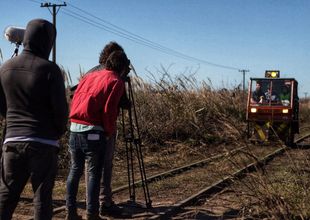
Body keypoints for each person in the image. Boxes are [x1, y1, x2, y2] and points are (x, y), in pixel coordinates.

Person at [0, 19, 68, 220]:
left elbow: (2, 105)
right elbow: (61, 111)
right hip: (43, 142)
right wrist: (57, 131)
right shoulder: (50, 69)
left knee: (6, 195)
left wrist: (12, 123)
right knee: (41, 198)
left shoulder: (5, 68)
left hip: (12, 141)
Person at [66, 50, 130, 220]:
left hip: (74, 128)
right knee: (94, 173)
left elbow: (75, 98)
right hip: (94, 132)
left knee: (74, 171)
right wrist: (108, 132)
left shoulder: (88, 76)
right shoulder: (116, 81)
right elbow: (109, 110)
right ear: (123, 67)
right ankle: (92, 213)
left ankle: (70, 212)